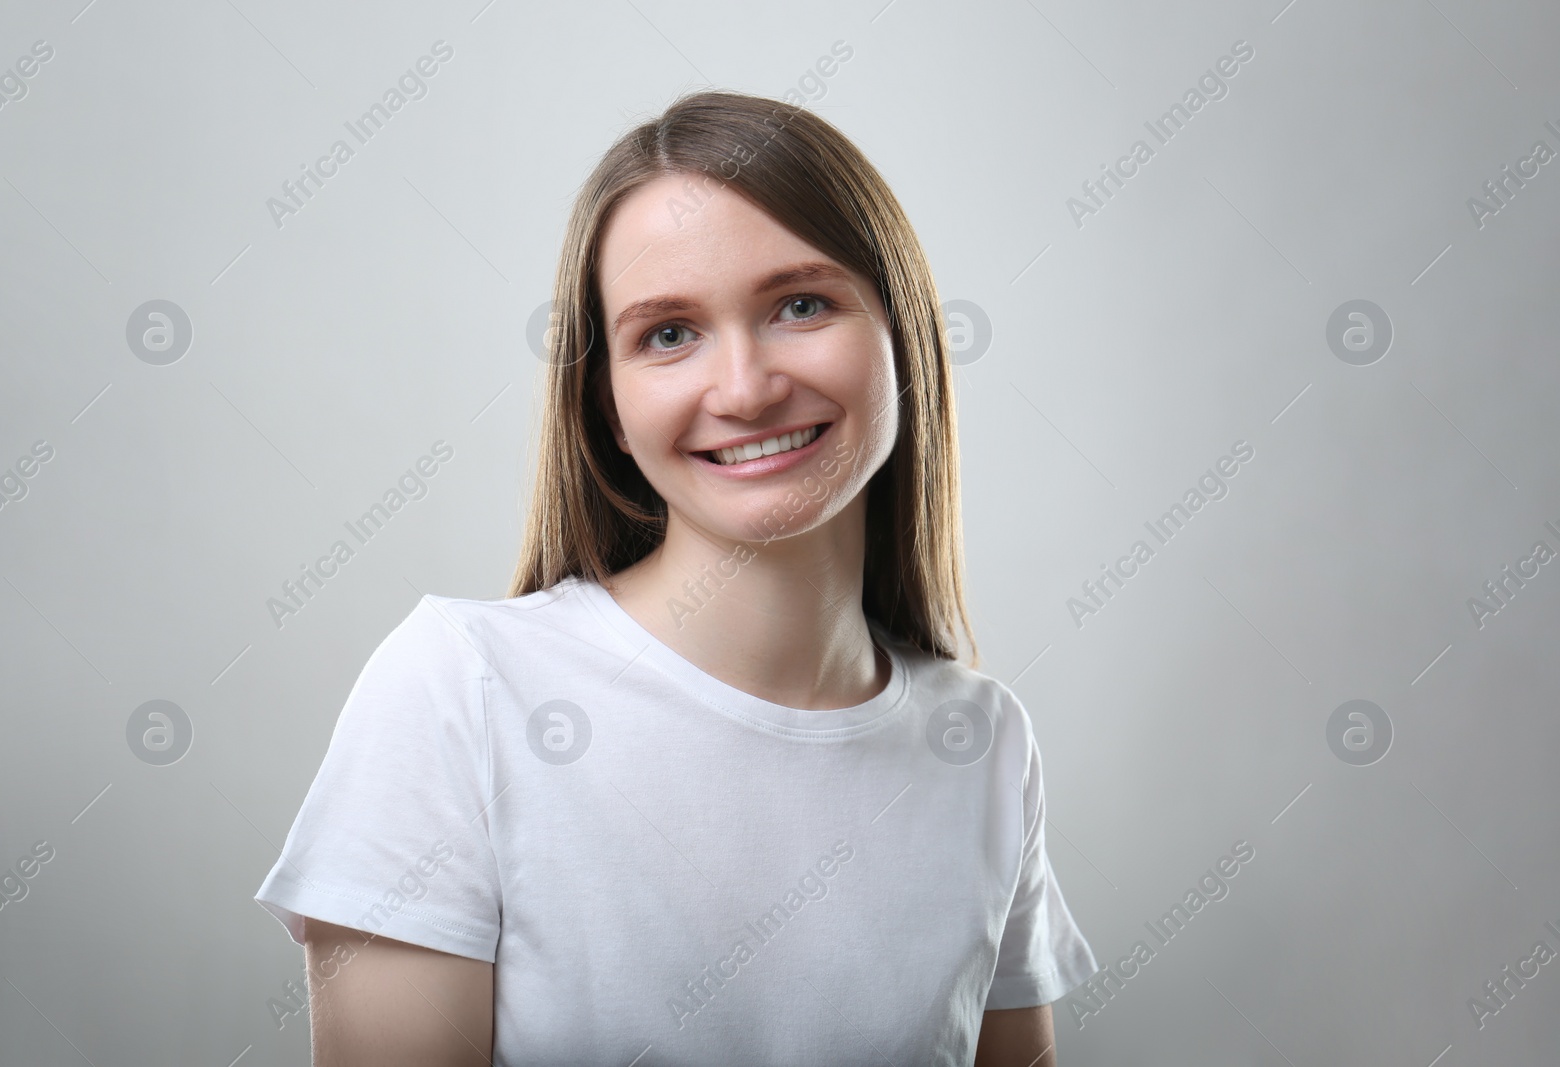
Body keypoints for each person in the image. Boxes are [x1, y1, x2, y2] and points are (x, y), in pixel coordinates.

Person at [254, 88, 1096, 1066]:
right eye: (667, 333)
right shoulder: (457, 690)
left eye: (800, 303)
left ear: (900, 336)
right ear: (608, 404)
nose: (743, 388)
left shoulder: (983, 743)